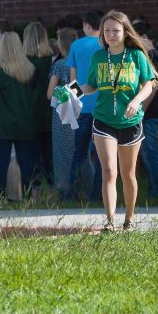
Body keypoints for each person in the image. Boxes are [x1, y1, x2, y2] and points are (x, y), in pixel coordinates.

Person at [78, 10, 157, 232]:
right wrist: (72, 91)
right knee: (109, 172)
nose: (111, 34)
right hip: (103, 120)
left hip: (130, 121)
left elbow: (149, 83)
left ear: (125, 32)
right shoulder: (98, 57)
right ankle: (110, 221)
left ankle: (129, 219)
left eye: (116, 30)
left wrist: (137, 101)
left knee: (128, 173)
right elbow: (91, 85)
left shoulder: (136, 56)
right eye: (107, 30)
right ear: (102, 34)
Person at [0, 32, 39, 201]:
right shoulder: (30, 69)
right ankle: (28, 196)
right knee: (26, 162)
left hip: (3, 124)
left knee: (0, 162)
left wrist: (1, 94)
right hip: (26, 122)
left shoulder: (0, 71)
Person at [67, 10, 104, 201]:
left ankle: (72, 194)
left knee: (79, 153)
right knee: (101, 155)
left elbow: (73, 81)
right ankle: (97, 195)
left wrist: (75, 103)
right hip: (103, 108)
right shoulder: (106, 45)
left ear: (86, 25)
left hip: (82, 107)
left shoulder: (76, 45)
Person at [132, 18, 158, 202]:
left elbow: (152, 86)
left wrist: (141, 111)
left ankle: (157, 191)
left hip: (151, 112)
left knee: (151, 153)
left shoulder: (150, 56)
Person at [23, 22, 55, 200]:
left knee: (32, 156)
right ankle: (52, 191)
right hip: (50, 113)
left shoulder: (24, 61)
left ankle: (34, 193)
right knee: (49, 155)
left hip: (30, 115)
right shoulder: (52, 60)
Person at [47, 27, 78, 201]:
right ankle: (81, 187)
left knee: (61, 153)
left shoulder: (59, 65)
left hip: (61, 115)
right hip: (79, 112)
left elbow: (50, 94)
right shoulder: (80, 63)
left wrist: (63, 90)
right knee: (79, 152)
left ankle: (64, 189)